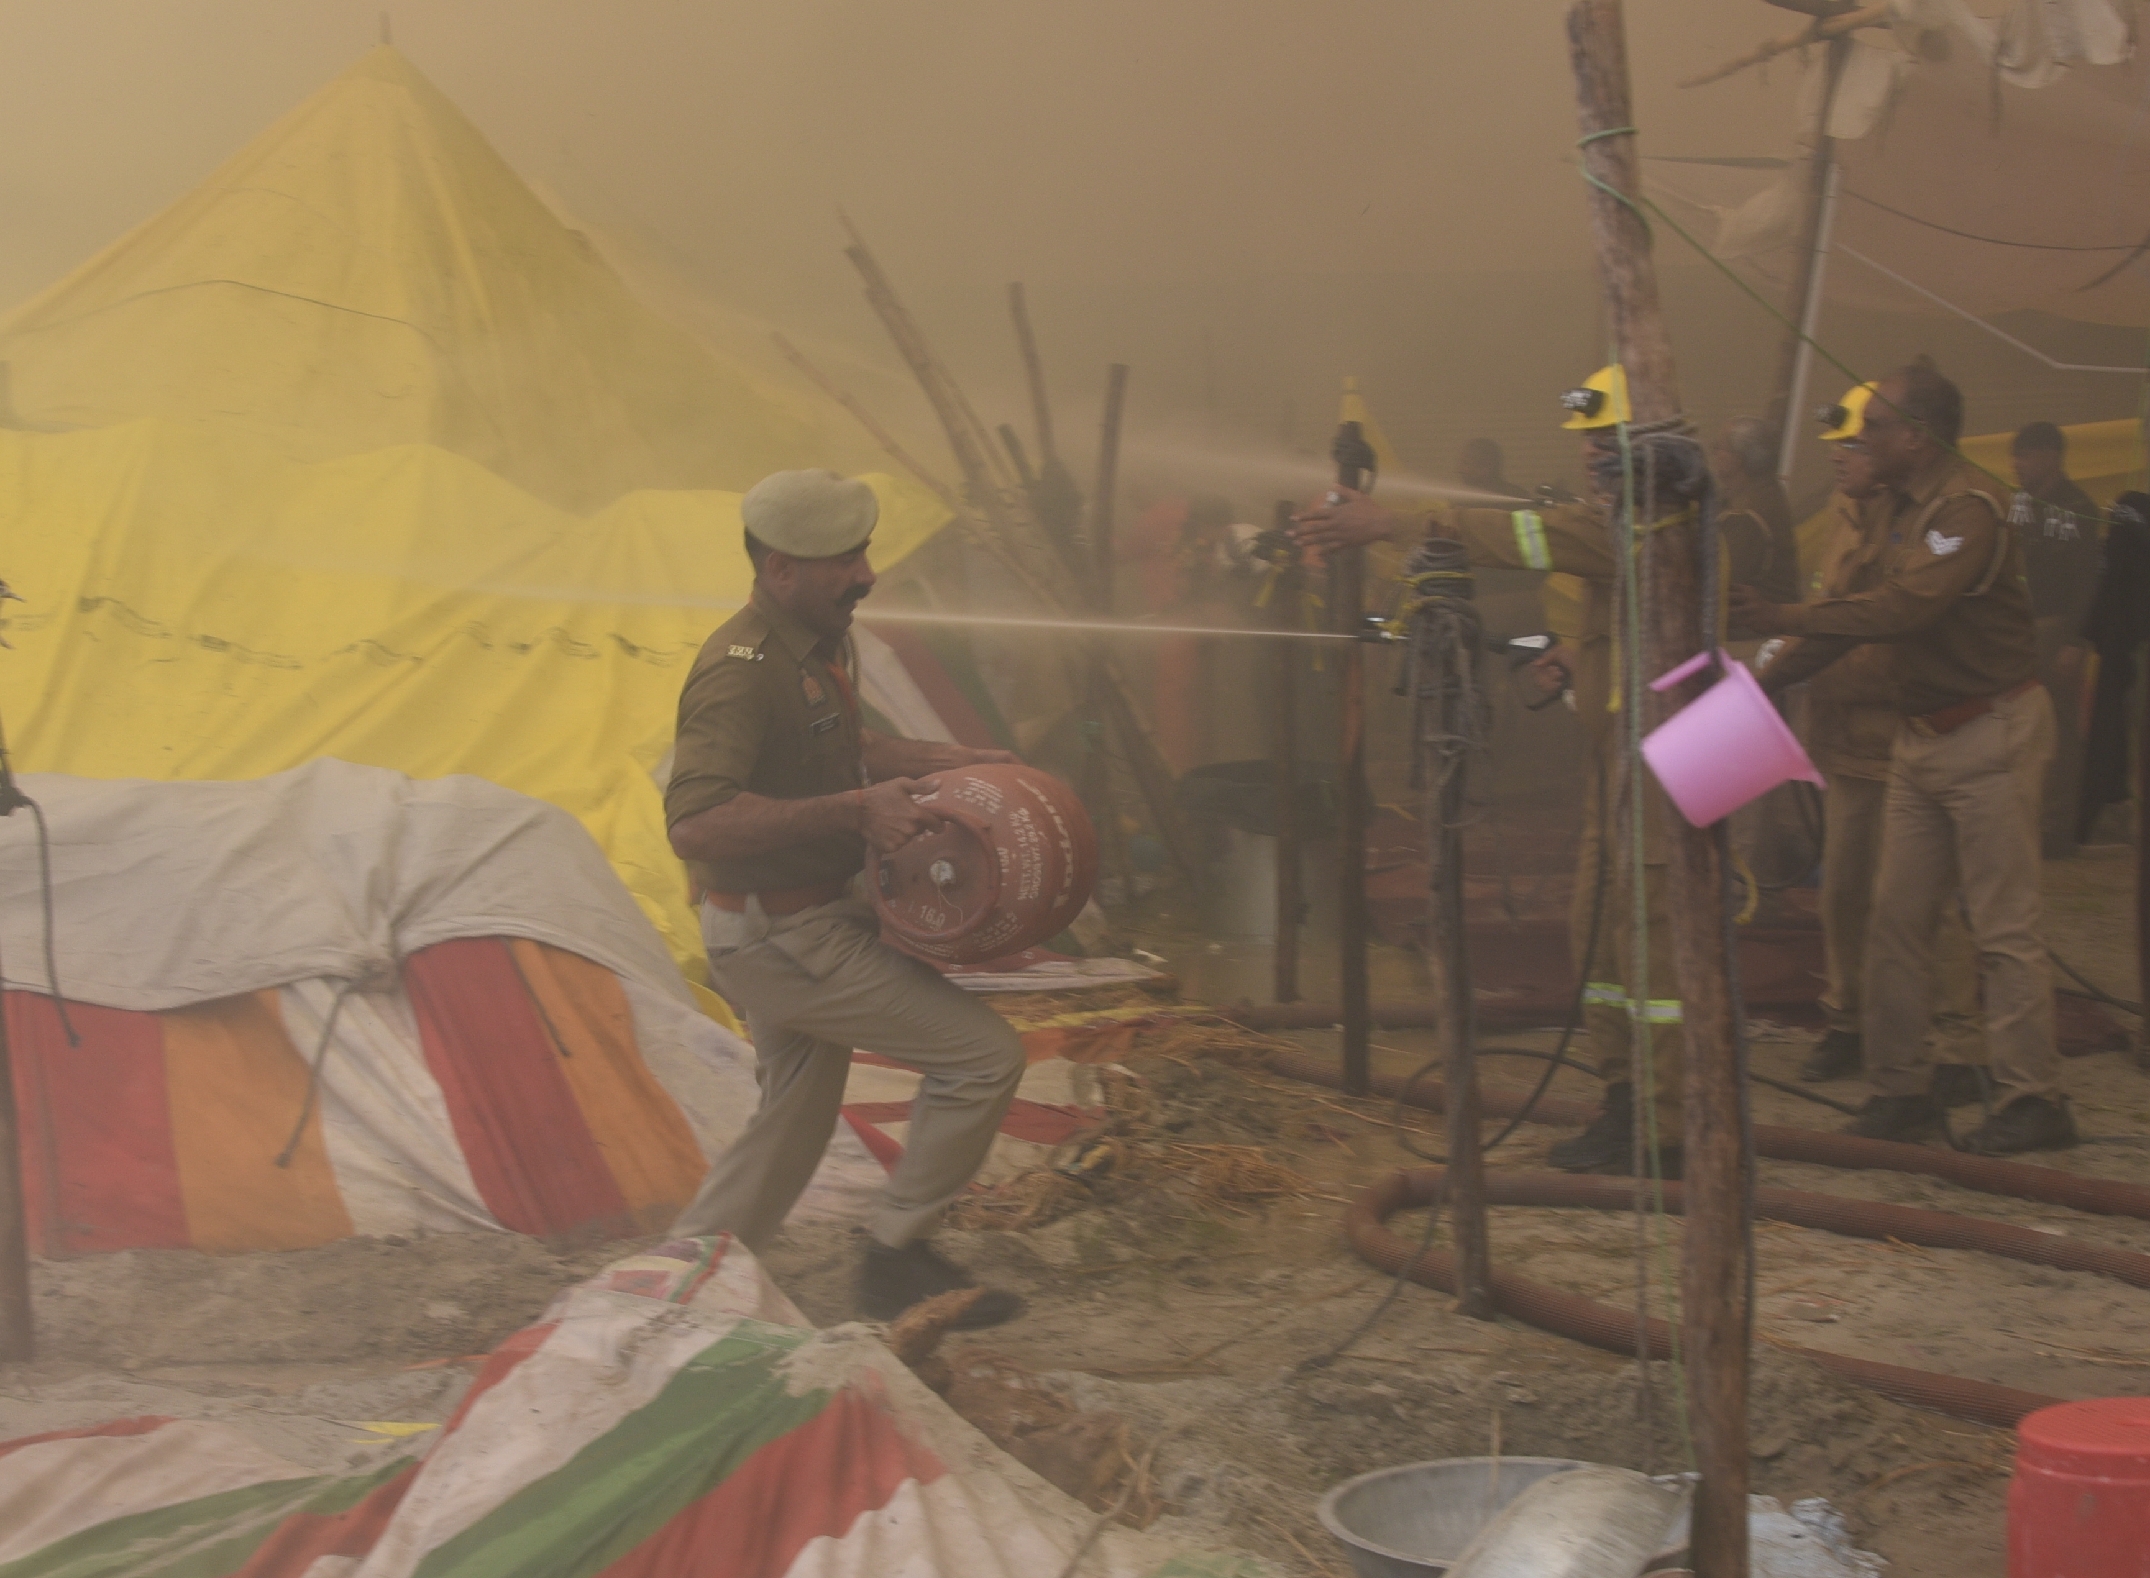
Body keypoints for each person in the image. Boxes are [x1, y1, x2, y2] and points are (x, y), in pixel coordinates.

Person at [1295, 366, 1688, 1178]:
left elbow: (1531, 538)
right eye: (1582, 443)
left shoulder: (1653, 524)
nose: (1586, 458)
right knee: (1602, 943)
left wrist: (1391, 523)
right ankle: (1626, 1106)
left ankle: (1669, 1128)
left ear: (1642, 447)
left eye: (1600, 443)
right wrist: (1581, 658)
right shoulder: (1626, 524)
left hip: (1666, 765)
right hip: (1618, 763)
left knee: (1649, 945)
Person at [665, 469, 1029, 1325]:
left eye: (863, 552)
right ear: (780, 569)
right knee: (982, 1058)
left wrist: (941, 763)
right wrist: (857, 811)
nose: (865, 574)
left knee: (793, 1116)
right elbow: (696, 824)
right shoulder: (738, 670)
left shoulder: (818, 638)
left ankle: (689, 1281)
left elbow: (841, 743)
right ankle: (896, 1256)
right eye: (841, 559)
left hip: (799, 921)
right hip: (780, 936)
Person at [1731, 364, 2074, 1155]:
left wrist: (1780, 614)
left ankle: (2035, 1097)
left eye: (1873, 428)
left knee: (2001, 925)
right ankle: (1901, 1088)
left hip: (1989, 730)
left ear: (1914, 439)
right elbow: (1848, 619)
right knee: (1893, 920)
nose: (1859, 442)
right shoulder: (1892, 513)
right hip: (1920, 736)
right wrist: (1759, 685)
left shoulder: (1967, 510)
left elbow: (1900, 609)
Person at [1794, 384, 1988, 1103]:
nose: (1846, 458)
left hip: (1896, 731)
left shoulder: (1921, 521)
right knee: (1842, 892)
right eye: (1840, 446)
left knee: (1914, 903)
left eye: (1856, 444)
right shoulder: (1843, 517)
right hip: (1847, 736)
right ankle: (1848, 1018)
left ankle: (1959, 1038)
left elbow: (1890, 620)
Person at [2009, 421, 2102, 857]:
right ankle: (2024, 820)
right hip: (2018, 628)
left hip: (2057, 629)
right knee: (2017, 727)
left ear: (2050, 455)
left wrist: (2076, 641)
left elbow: (2089, 581)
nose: (2018, 466)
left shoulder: (2078, 507)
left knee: (2060, 731)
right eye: (2016, 456)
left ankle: (2059, 827)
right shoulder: (2020, 505)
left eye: (2025, 456)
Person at [2077, 491, 2150, 843]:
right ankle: (2120, 807)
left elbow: (2107, 587)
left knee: (2120, 730)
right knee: (2120, 731)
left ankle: (2118, 808)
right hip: (2123, 648)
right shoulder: (2126, 528)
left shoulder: (2121, 533)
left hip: (2122, 648)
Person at [1709, 415, 1801, 636]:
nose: (1713, 453)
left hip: (1749, 640)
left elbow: (1718, 585)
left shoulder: (1746, 516)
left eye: (1718, 447)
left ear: (1737, 459)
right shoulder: (1766, 493)